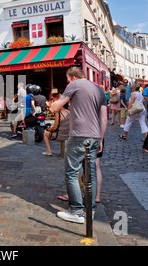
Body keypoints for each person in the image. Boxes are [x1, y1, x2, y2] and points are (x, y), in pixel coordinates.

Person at [50, 67, 107, 224]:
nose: (68, 82)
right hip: (95, 135)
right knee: (91, 172)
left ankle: (76, 211)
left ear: (72, 78)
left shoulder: (75, 85)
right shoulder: (99, 89)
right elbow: (103, 119)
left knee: (71, 172)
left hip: (79, 134)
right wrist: (100, 139)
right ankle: (91, 210)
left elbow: (56, 107)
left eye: (68, 80)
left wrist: (53, 105)